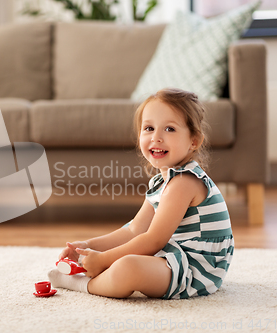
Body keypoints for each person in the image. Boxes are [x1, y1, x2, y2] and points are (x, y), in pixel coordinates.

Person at [48, 88, 234, 299]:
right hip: (175, 257)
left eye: (170, 129)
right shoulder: (161, 182)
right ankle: (98, 275)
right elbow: (135, 230)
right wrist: (87, 246)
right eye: (149, 128)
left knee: (127, 267)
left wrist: (104, 259)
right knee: (126, 258)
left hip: (197, 270)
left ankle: (81, 284)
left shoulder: (184, 182)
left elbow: (153, 240)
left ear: (194, 141)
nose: (156, 137)